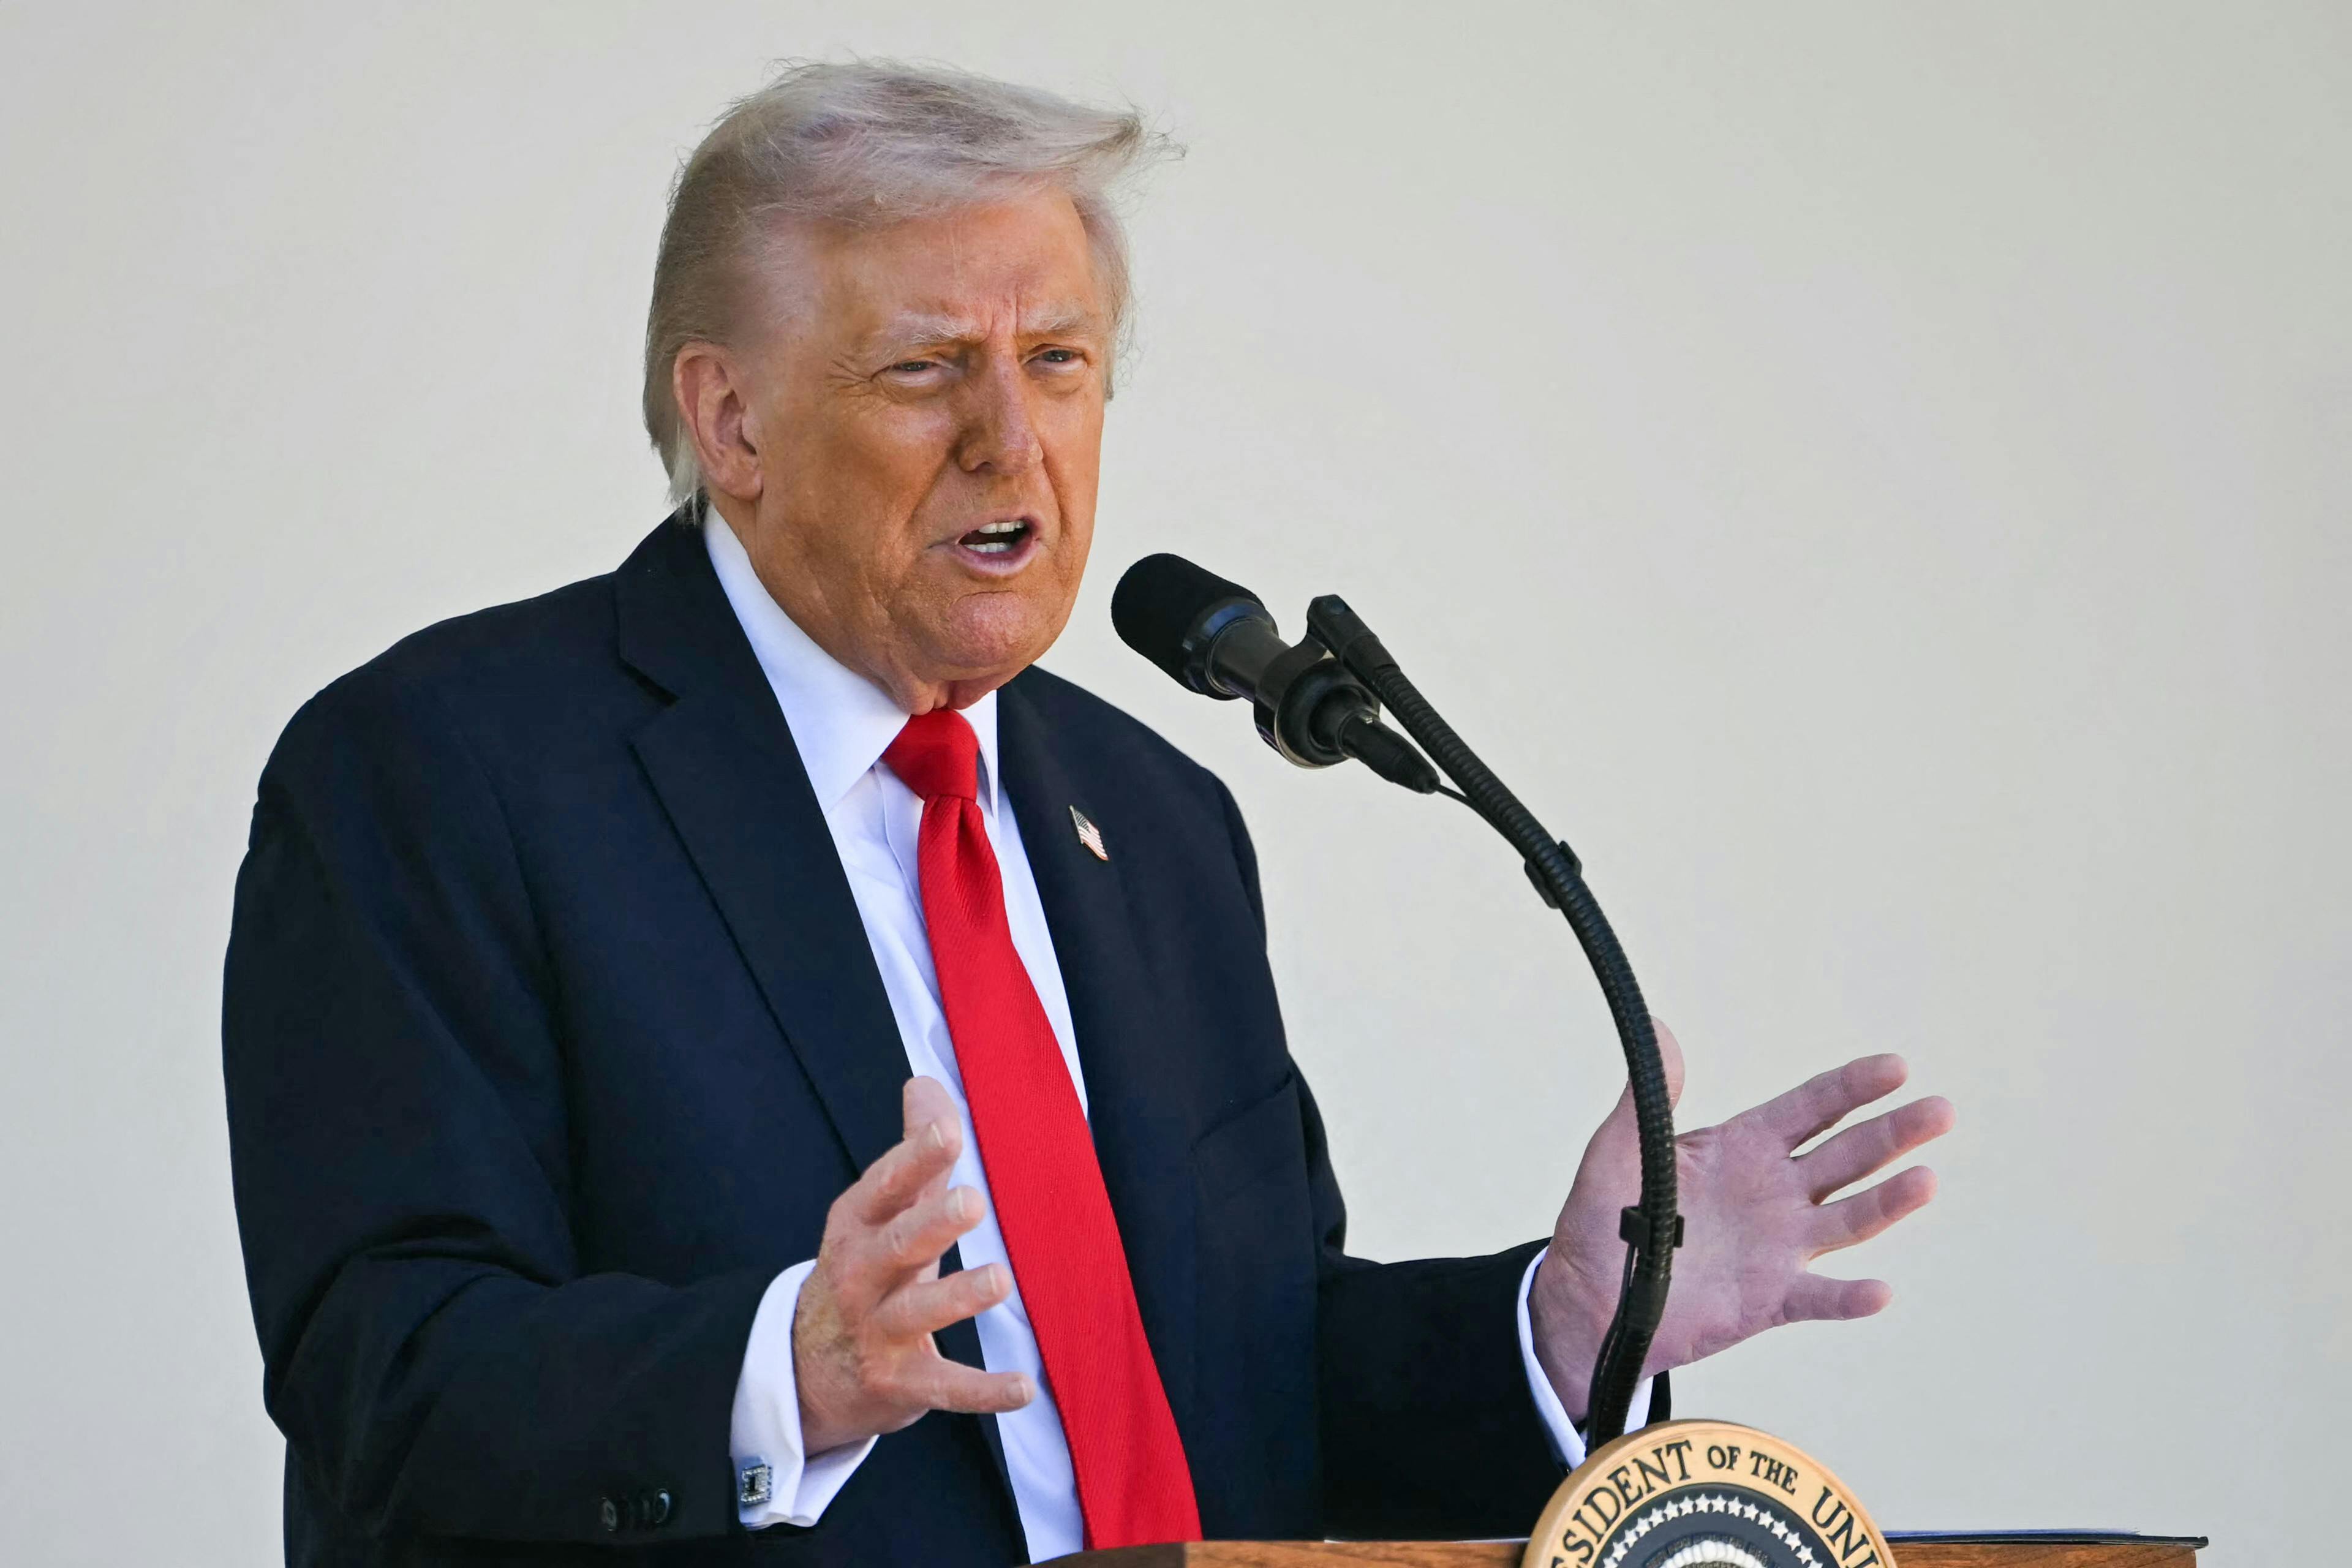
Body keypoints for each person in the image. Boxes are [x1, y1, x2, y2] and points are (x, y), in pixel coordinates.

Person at [222, 60, 1954, 1567]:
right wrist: (782, 1370)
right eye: (925, 371)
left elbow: (1244, 1384)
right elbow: (382, 1361)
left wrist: (1555, 1328)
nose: (1010, 439)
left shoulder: (1157, 819)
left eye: (1057, 359)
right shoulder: (444, 773)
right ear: (729, 418)